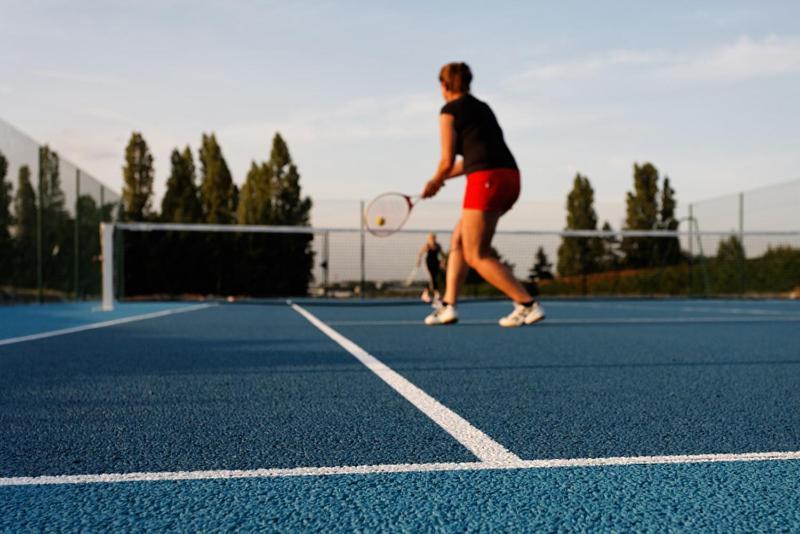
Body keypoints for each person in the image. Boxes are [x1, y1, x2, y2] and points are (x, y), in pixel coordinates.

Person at [421, 62, 545, 327]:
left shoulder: (449, 111)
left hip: (487, 180)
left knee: (476, 254)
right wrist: (440, 179)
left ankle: (526, 304)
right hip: (510, 178)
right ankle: (448, 306)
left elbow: (446, 161)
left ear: (443, 85)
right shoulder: (483, 108)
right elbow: (473, 159)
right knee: (458, 240)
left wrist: (436, 179)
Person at [417, 233, 445, 304]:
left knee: (434, 279)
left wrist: (442, 262)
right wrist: (419, 261)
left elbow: (442, 255)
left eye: (434, 238)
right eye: (431, 238)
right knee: (432, 278)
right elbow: (420, 254)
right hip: (429, 263)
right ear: (429, 239)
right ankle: (437, 294)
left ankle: (424, 294)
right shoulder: (427, 245)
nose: (433, 239)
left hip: (436, 263)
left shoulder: (438, 246)